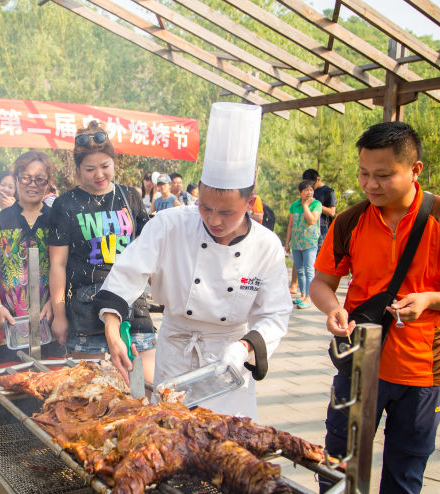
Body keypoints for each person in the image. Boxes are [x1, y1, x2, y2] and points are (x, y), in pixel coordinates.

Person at [310, 122, 440, 494]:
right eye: (363, 174)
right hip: (360, 362)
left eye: (383, 174)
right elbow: (321, 282)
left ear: (415, 170)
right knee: (337, 457)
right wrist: (333, 309)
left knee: (407, 464)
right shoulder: (351, 221)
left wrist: (433, 299)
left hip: (424, 369)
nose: (370, 185)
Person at [94, 102, 293, 418]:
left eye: (226, 212)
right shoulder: (170, 224)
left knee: (229, 449)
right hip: (176, 353)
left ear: (250, 203)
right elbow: (127, 273)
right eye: (205, 207)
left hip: (229, 360)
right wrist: (113, 330)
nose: (213, 220)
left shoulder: (266, 246)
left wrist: (245, 347)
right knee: (171, 442)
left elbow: (275, 314)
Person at [47, 121, 156, 371]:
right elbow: (58, 264)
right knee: (90, 394)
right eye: (89, 169)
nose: (99, 175)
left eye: (105, 166)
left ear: (114, 163)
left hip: (133, 307)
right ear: (77, 170)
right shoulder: (66, 204)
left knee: (144, 387)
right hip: (86, 311)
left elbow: (146, 252)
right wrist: (60, 314)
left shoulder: (130, 197)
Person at [0, 150, 61, 365]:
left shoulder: (57, 220)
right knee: (15, 386)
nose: (32, 184)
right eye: (25, 177)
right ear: (16, 180)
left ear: (47, 183)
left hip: (49, 320)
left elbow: (65, 267)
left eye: (39, 179)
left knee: (50, 386)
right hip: (8, 322)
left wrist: (54, 303)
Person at [285, 180, 322, 309]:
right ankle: (303, 294)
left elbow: (312, 220)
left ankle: (309, 297)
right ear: (300, 192)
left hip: (310, 242)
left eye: (311, 190)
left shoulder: (316, 204)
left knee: (309, 269)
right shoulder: (294, 205)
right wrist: (287, 243)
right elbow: (290, 225)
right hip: (296, 242)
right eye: (306, 190)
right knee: (299, 270)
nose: (309, 192)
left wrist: (306, 206)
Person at [303, 168, 337, 251]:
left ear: (318, 179)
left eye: (311, 184)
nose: (309, 187)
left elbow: (332, 212)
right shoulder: (309, 191)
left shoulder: (328, 192)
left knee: (319, 256)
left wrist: (316, 204)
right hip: (307, 227)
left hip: (321, 228)